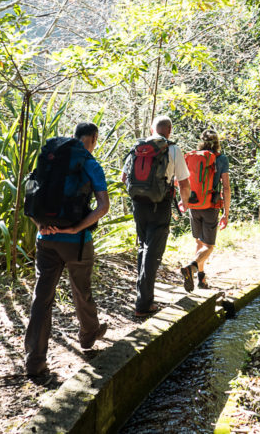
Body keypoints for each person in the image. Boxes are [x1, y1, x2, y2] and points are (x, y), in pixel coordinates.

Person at [24, 123, 110, 379]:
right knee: (81, 290)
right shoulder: (89, 162)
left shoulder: (51, 159)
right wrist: (77, 228)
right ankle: (87, 335)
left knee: (42, 298)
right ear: (93, 138)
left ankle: (35, 362)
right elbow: (103, 206)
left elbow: (30, 195)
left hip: (45, 239)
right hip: (76, 242)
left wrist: (40, 224)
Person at [122, 115, 191, 317]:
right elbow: (184, 183)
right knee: (152, 252)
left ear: (152, 129)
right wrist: (184, 203)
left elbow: (123, 177)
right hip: (160, 205)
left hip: (138, 205)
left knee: (143, 246)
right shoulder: (172, 148)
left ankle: (143, 297)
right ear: (169, 130)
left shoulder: (138, 147)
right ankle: (144, 304)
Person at [180, 129, 231, 291]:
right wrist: (226, 213)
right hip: (210, 205)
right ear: (217, 142)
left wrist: (184, 201)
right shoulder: (221, 159)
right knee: (208, 246)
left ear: (201, 141)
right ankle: (192, 267)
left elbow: (182, 181)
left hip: (194, 204)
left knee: (199, 242)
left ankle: (201, 279)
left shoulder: (193, 156)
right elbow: (226, 187)